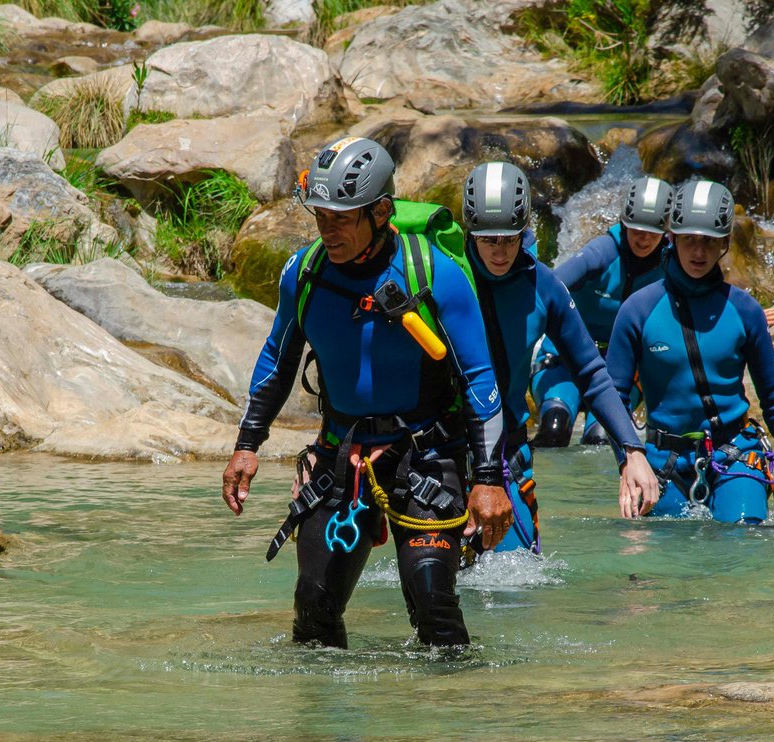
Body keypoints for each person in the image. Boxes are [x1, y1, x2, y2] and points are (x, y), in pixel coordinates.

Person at [221, 137, 512, 648]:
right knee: (313, 608)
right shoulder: (304, 274)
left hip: (428, 456)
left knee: (432, 601)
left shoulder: (436, 274)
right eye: (321, 216)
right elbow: (278, 358)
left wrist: (488, 479)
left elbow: (479, 378)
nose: (326, 229)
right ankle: (318, 725)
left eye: (341, 217)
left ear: (380, 212)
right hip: (342, 457)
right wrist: (248, 443)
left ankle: (460, 717)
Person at [460, 161, 660, 553]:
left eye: (510, 239)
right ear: (470, 231)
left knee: (513, 589)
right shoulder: (445, 278)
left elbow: (592, 372)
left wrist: (631, 451)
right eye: (489, 240)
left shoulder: (544, 286)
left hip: (508, 456)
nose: (500, 252)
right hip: (444, 454)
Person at [606, 178, 774, 523]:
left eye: (708, 242)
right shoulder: (637, 310)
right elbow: (614, 396)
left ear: (725, 243)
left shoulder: (745, 310)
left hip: (735, 454)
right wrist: (628, 459)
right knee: (650, 567)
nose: (698, 252)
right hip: (661, 461)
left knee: (746, 541)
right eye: (689, 240)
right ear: (672, 238)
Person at [536, 176, 674, 446]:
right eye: (636, 229)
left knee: (602, 439)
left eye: (652, 232)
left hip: (620, 370)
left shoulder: (670, 265)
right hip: (564, 360)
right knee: (554, 430)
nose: (643, 239)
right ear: (624, 223)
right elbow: (548, 287)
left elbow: (700, 300)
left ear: (666, 231)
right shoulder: (603, 252)